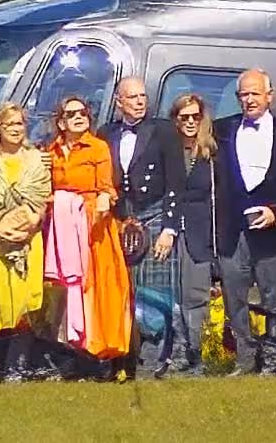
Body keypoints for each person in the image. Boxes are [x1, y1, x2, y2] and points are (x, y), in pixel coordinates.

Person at [213, 69, 276, 376]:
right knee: (234, 299)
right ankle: (244, 359)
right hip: (233, 230)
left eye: (255, 93)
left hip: (275, 232)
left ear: (271, 95)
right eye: (244, 94)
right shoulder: (220, 131)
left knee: (275, 300)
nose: (249, 99)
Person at [98, 76, 184, 379]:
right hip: (120, 221)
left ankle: (152, 363)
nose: (139, 101)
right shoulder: (105, 133)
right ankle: (120, 361)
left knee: (154, 293)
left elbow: (176, 181)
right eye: (132, 97)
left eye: (143, 96)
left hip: (155, 216)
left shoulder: (163, 131)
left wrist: (169, 228)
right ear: (119, 102)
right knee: (120, 294)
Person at [43, 95, 133, 376]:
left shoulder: (98, 147)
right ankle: (71, 356)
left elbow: (107, 187)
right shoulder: (52, 151)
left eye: (83, 112)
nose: (79, 117)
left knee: (96, 290)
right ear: (61, 122)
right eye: (72, 114)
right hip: (61, 230)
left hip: (92, 228)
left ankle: (100, 357)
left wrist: (106, 199)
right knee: (65, 294)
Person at [0, 102, 51, 382]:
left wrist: (29, 226)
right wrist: (0, 230)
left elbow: (41, 196)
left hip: (29, 241)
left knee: (23, 302)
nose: (16, 130)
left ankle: (16, 366)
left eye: (20, 124)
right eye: (10, 125)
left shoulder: (36, 160)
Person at [168, 93, 218, 376]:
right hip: (168, 233)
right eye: (183, 117)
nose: (189, 122)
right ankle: (172, 352)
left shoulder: (211, 154)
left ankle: (195, 355)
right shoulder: (167, 150)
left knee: (196, 296)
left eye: (195, 117)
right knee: (169, 296)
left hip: (200, 234)